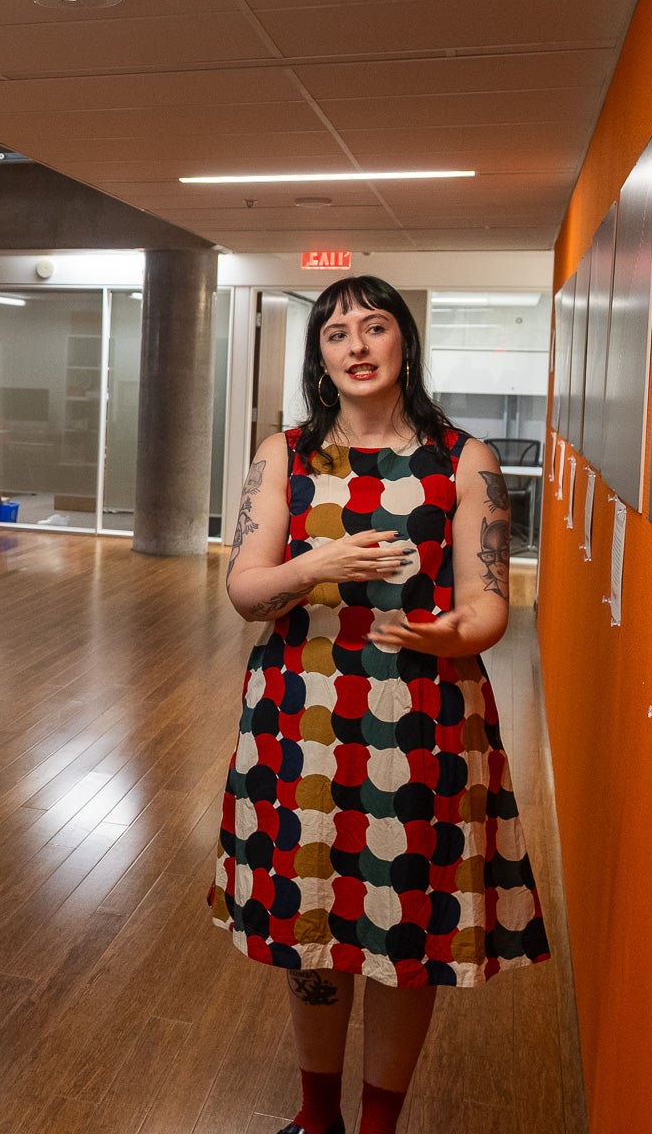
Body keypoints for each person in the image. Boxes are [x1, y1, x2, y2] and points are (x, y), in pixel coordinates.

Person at [211, 276, 549, 1134]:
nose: (357, 346)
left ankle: (377, 1126)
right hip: (302, 721)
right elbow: (245, 592)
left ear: (405, 342)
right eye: (336, 334)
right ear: (319, 357)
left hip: (427, 718)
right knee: (313, 916)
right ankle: (315, 1116)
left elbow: (489, 603)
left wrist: (455, 633)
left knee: (407, 929)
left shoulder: (464, 459)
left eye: (375, 327)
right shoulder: (282, 455)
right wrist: (312, 569)